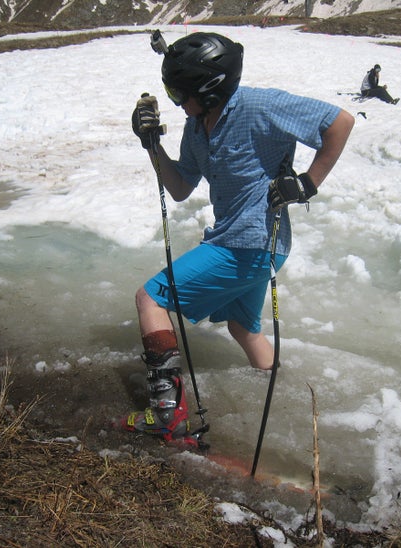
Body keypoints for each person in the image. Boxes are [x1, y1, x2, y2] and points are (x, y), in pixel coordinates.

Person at [125, 31, 354, 444]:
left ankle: (166, 416)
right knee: (242, 328)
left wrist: (308, 183)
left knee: (151, 298)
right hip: (256, 248)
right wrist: (151, 145)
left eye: (178, 92)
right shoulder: (197, 128)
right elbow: (179, 187)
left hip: (247, 245)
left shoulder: (259, 105)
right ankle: (284, 398)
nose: (175, 101)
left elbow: (339, 122)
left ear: (209, 88)